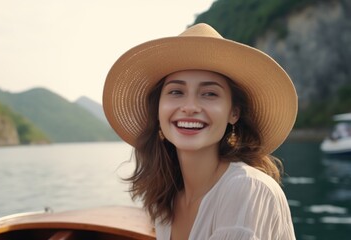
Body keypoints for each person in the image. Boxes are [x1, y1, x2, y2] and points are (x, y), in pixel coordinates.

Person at [103, 23, 297, 240]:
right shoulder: (167, 199)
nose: (190, 107)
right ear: (157, 110)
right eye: (176, 92)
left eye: (209, 94)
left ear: (233, 113)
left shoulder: (245, 188)